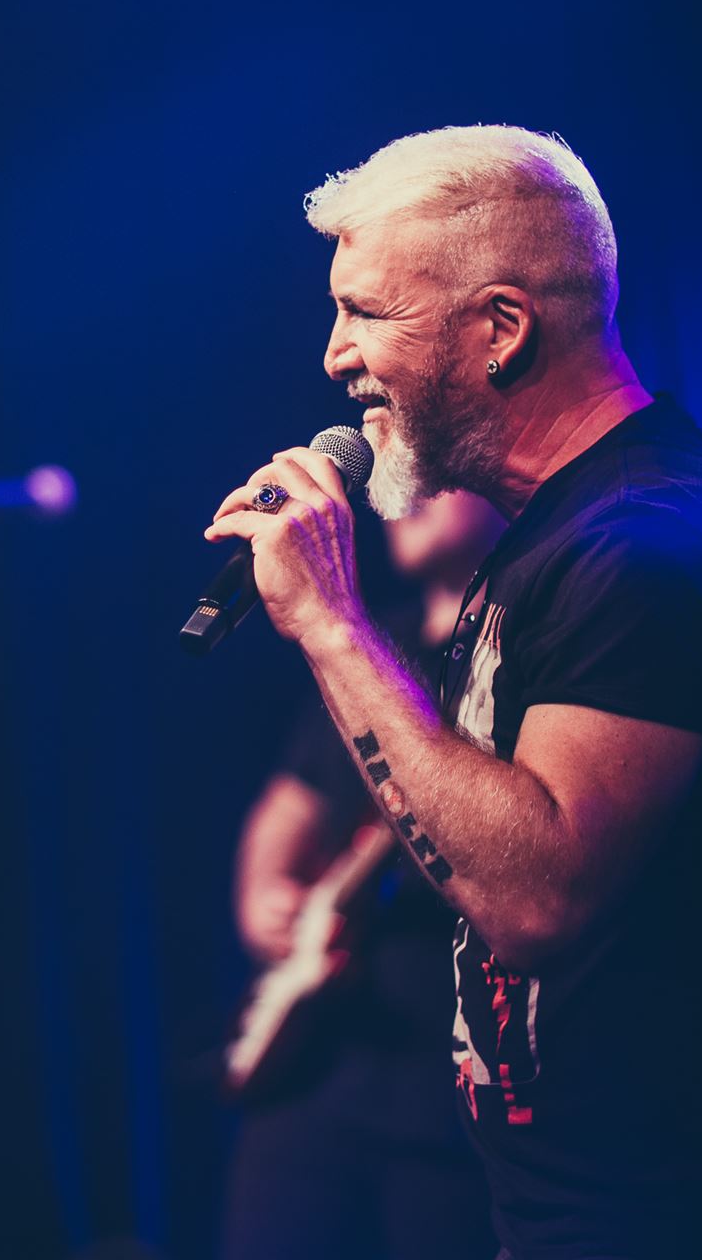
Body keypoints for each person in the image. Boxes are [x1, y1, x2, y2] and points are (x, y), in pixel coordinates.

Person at [203, 125, 702, 1260]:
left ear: (500, 329)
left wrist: (328, 620)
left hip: (684, 1219)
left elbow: (537, 899)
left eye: (365, 312)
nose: (334, 355)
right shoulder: (556, 536)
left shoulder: (648, 539)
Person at [222, 495, 505, 1260]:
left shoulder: (522, 649)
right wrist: (264, 897)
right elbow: (290, 802)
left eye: (430, 478)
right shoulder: (371, 646)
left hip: (446, 1095)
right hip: (311, 1070)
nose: (398, 498)